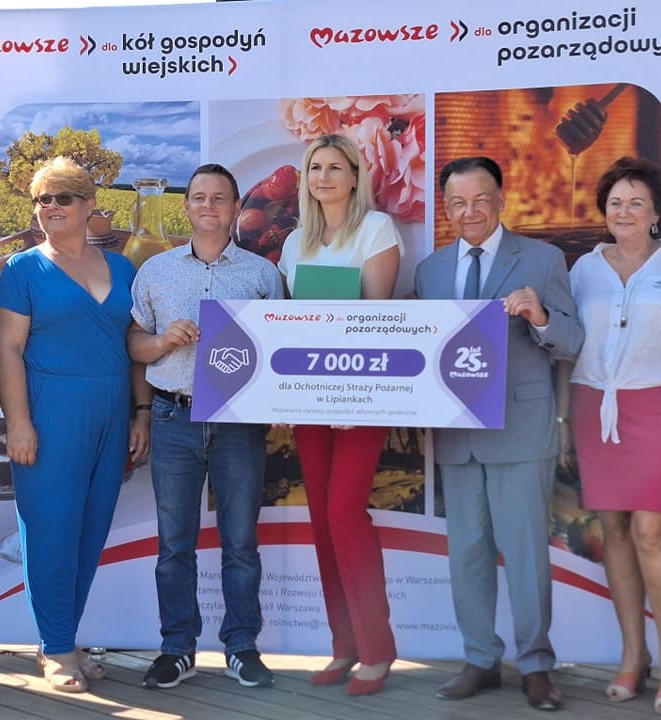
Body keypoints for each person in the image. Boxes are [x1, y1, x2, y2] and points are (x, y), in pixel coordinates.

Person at [558, 157, 661, 715]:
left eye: (636, 202)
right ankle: (634, 656)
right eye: (615, 202)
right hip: (593, 406)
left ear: (656, 213)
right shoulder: (584, 269)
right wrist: (562, 422)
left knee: (652, 532)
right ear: (603, 210)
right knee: (614, 530)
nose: (624, 211)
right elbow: (567, 351)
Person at [414, 156, 583, 711]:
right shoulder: (430, 271)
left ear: (501, 200)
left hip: (520, 429)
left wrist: (540, 317)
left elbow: (573, 341)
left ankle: (535, 665)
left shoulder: (542, 259)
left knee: (527, 554)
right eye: (458, 202)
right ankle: (480, 659)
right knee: (467, 554)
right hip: (456, 435)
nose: (470, 212)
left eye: (480, 200)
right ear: (445, 208)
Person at [0, 156, 151, 693]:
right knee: (50, 532)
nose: (52, 207)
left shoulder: (124, 270)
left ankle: (63, 639)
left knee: (89, 533)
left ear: (90, 206)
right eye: (43, 199)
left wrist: (142, 413)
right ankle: (57, 647)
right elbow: (8, 349)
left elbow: (134, 346)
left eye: (63, 197)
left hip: (112, 412)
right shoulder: (22, 269)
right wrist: (19, 422)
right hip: (49, 412)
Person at [129, 163, 283, 690]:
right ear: (186, 206)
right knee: (175, 544)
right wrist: (162, 340)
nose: (209, 205)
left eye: (220, 198)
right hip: (174, 417)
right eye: (199, 197)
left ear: (236, 208)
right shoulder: (156, 271)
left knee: (240, 542)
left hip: (239, 424)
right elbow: (135, 345)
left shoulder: (262, 275)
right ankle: (177, 649)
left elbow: (279, 351)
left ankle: (241, 646)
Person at [277, 134, 402, 696]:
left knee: (345, 514)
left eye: (334, 167)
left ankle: (377, 650)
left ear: (355, 176)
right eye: (314, 168)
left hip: (359, 397)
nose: (323, 176)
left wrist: (354, 396)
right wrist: (283, 397)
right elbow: (286, 327)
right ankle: (344, 646)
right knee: (321, 521)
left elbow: (377, 321)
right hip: (308, 398)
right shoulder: (294, 242)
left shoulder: (376, 229)